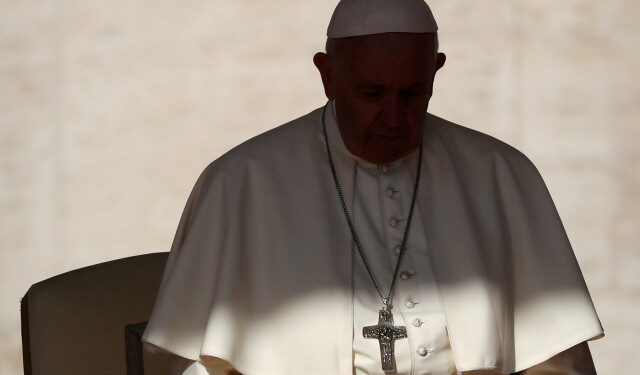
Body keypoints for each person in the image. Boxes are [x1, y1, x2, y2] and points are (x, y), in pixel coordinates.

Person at [141, 1, 605, 374]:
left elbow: (554, 359)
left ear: (437, 70)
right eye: (371, 94)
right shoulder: (242, 182)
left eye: (412, 93)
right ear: (327, 75)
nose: (393, 117)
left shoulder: (501, 174)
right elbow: (201, 362)